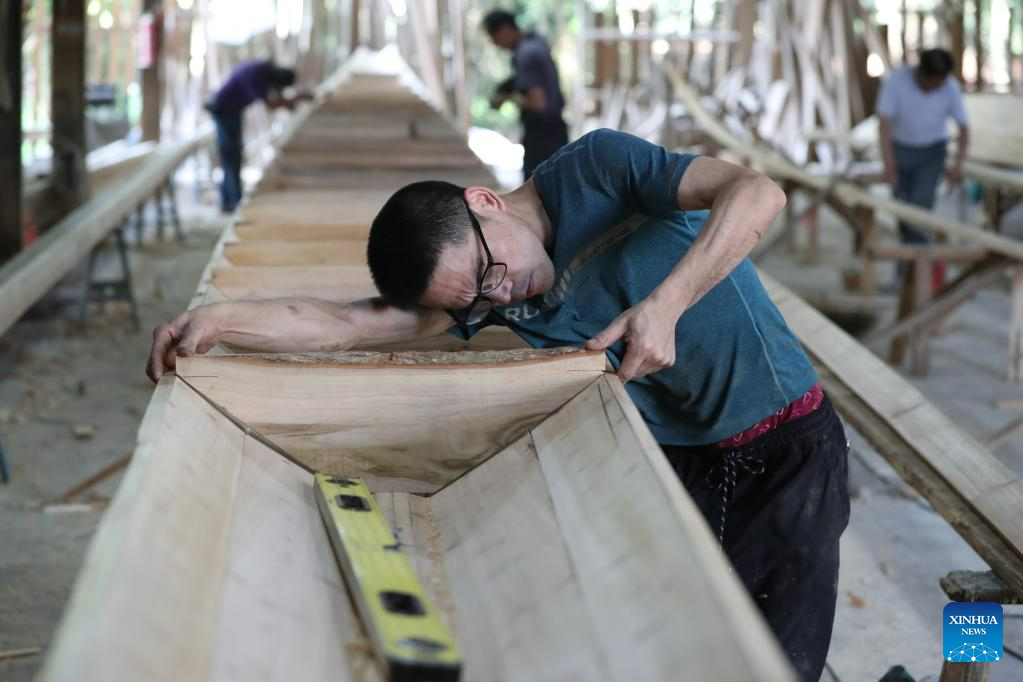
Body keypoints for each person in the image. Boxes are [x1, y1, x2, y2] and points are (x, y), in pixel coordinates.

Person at [147, 129, 849, 682]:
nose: (501, 296)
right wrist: (223, 318)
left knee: (774, 662)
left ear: (484, 201)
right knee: (676, 650)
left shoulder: (597, 168)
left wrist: (666, 305)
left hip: (785, 446)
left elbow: (756, 193)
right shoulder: (485, 296)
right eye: (476, 300)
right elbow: (348, 324)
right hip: (672, 456)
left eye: (491, 274)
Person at [877, 48, 970, 289]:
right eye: (930, 83)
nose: (934, 88)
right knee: (903, 213)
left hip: (931, 154)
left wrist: (958, 164)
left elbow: (964, 129)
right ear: (920, 72)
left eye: (938, 84)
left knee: (919, 211)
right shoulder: (897, 81)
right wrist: (888, 163)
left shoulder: (950, 88)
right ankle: (912, 276)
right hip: (900, 151)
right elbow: (884, 125)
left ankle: (916, 276)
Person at [205, 60, 314, 212]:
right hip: (224, 109)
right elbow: (270, 104)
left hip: (232, 110)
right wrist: (295, 99)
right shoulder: (257, 75)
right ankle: (233, 201)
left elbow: (275, 99)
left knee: (232, 155)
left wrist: (291, 100)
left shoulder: (264, 69)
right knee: (231, 155)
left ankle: (230, 201)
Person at [482, 10, 569, 180]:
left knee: (535, 190)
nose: (496, 44)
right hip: (556, 132)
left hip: (542, 138)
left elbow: (537, 104)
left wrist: (506, 98)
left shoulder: (525, 55)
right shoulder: (537, 41)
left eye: (495, 38)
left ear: (506, 30)